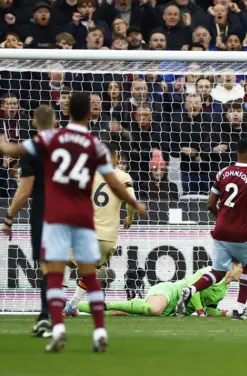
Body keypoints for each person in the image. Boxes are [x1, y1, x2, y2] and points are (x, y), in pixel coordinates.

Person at [0, 92, 146, 353]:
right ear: (91, 113)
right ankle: (100, 331)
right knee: (90, 275)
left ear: (65, 113)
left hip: (57, 216)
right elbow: (113, 181)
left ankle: (57, 330)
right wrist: (134, 203)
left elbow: (12, 150)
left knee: (55, 275)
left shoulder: (50, 138)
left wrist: (3, 141)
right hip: (83, 217)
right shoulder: (95, 144)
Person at [176, 138, 247, 320]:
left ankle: (191, 289)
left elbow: (209, 204)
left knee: (218, 270)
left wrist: (224, 219)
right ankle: (239, 309)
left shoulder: (223, 172)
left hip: (221, 230)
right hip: (243, 232)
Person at [63, 144, 139, 316]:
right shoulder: (123, 176)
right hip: (108, 238)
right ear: (114, 158)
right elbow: (132, 201)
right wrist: (129, 218)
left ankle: (61, 301)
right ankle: (71, 306)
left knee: (65, 260)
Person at [2, 105, 56, 338]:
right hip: (72, 207)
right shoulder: (71, 145)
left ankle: (47, 316)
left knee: (46, 264)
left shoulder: (32, 148)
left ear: (34, 124)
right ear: (55, 122)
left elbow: (24, 192)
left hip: (45, 208)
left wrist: (9, 216)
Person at [77, 264, 241, 317]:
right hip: (170, 292)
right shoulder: (211, 273)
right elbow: (191, 289)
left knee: (124, 314)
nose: (244, 272)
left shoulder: (224, 289)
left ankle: (76, 308)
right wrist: (199, 311)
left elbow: (210, 308)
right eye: (242, 268)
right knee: (153, 309)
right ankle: (106, 304)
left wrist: (227, 313)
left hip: (174, 311)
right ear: (233, 265)